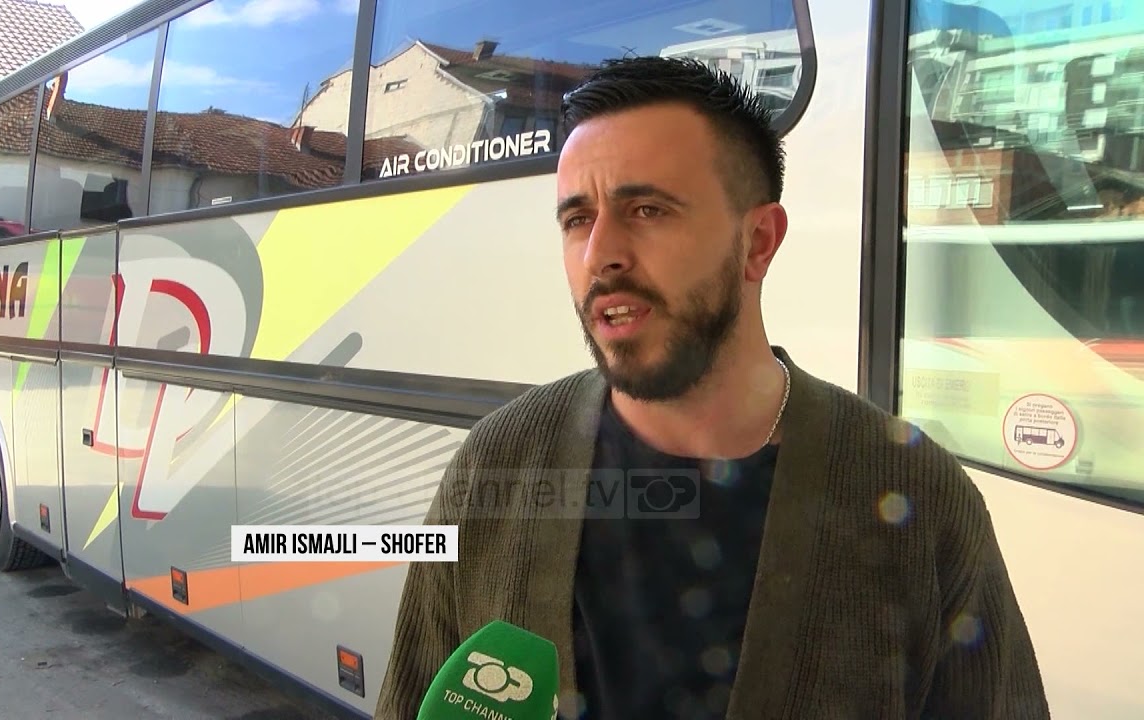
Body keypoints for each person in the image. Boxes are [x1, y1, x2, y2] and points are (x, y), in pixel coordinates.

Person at [374, 56, 1049, 719]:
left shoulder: (915, 496)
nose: (600, 254)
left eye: (647, 209)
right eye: (578, 219)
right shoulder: (498, 462)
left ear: (758, 243)